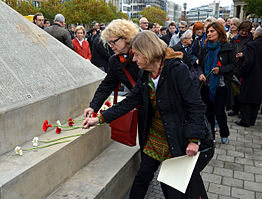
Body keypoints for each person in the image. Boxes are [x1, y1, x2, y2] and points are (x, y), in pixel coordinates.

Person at [83, 30, 210, 199]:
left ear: (147, 53)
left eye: (136, 55)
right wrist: (99, 119)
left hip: (176, 138)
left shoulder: (177, 70)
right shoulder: (145, 74)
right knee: (142, 177)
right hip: (155, 137)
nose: (134, 60)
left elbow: (195, 106)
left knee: (173, 187)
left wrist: (193, 139)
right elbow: (130, 101)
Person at [83, 19, 140, 128]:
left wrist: (101, 118)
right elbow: (107, 85)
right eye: (109, 43)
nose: (111, 46)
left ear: (126, 37)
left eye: (114, 41)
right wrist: (93, 107)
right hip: (141, 106)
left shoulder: (142, 55)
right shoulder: (115, 60)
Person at [199, 22, 235, 144]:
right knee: (208, 112)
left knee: (219, 113)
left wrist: (221, 70)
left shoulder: (227, 47)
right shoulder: (205, 48)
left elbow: (233, 65)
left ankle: (224, 132)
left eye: (212, 31)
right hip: (206, 86)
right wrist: (201, 74)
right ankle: (210, 136)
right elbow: (200, 66)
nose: (209, 34)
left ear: (219, 32)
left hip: (221, 86)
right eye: (207, 32)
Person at [235, 26, 262, 127]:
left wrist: (241, 72)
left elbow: (249, 61)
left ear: (257, 34)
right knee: (256, 99)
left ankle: (245, 121)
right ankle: (252, 120)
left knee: (246, 98)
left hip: (250, 75)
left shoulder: (251, 45)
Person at [228, 21, 253, 117]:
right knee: (234, 89)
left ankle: (242, 111)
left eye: (245, 31)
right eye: (242, 30)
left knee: (243, 91)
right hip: (235, 67)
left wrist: (243, 55)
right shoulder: (235, 38)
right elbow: (230, 49)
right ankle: (235, 109)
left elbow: (252, 54)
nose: (243, 33)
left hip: (244, 68)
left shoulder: (252, 40)